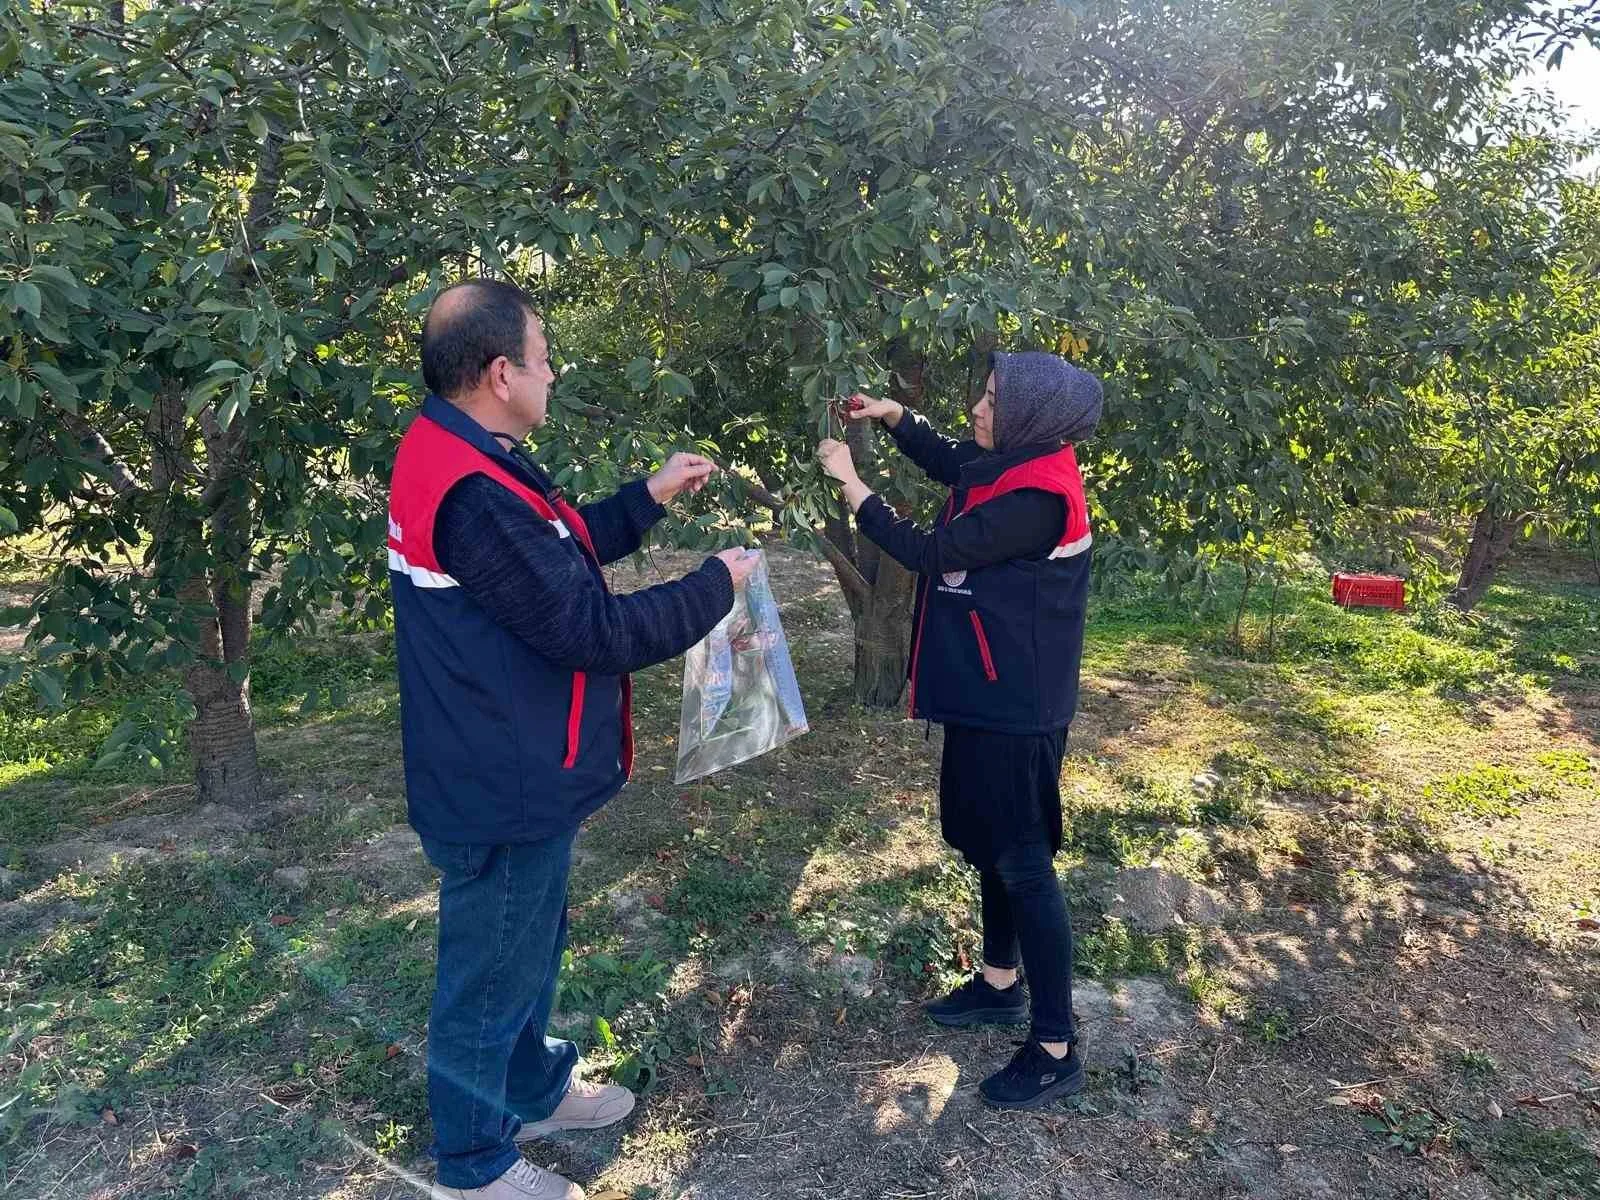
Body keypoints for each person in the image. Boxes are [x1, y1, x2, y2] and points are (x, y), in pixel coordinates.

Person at [388, 279, 758, 1200]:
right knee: (489, 971)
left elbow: (548, 559)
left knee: (525, 945)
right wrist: (716, 583)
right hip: (501, 776)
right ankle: (473, 1168)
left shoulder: (468, 452)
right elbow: (587, 630)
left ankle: (530, 1090)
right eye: (545, 356)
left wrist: (647, 499)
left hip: (509, 761)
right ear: (502, 371)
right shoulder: (471, 490)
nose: (555, 372)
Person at [816, 351, 1102, 1110]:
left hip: (1017, 707)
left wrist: (853, 486)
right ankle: (1001, 983)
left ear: (1032, 419)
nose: (978, 408)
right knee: (990, 844)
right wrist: (895, 416)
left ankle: (1054, 1045)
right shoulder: (1017, 459)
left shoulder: (1039, 497)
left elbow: (931, 551)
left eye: (993, 400)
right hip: (991, 690)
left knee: (1023, 860)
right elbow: (955, 462)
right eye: (983, 394)